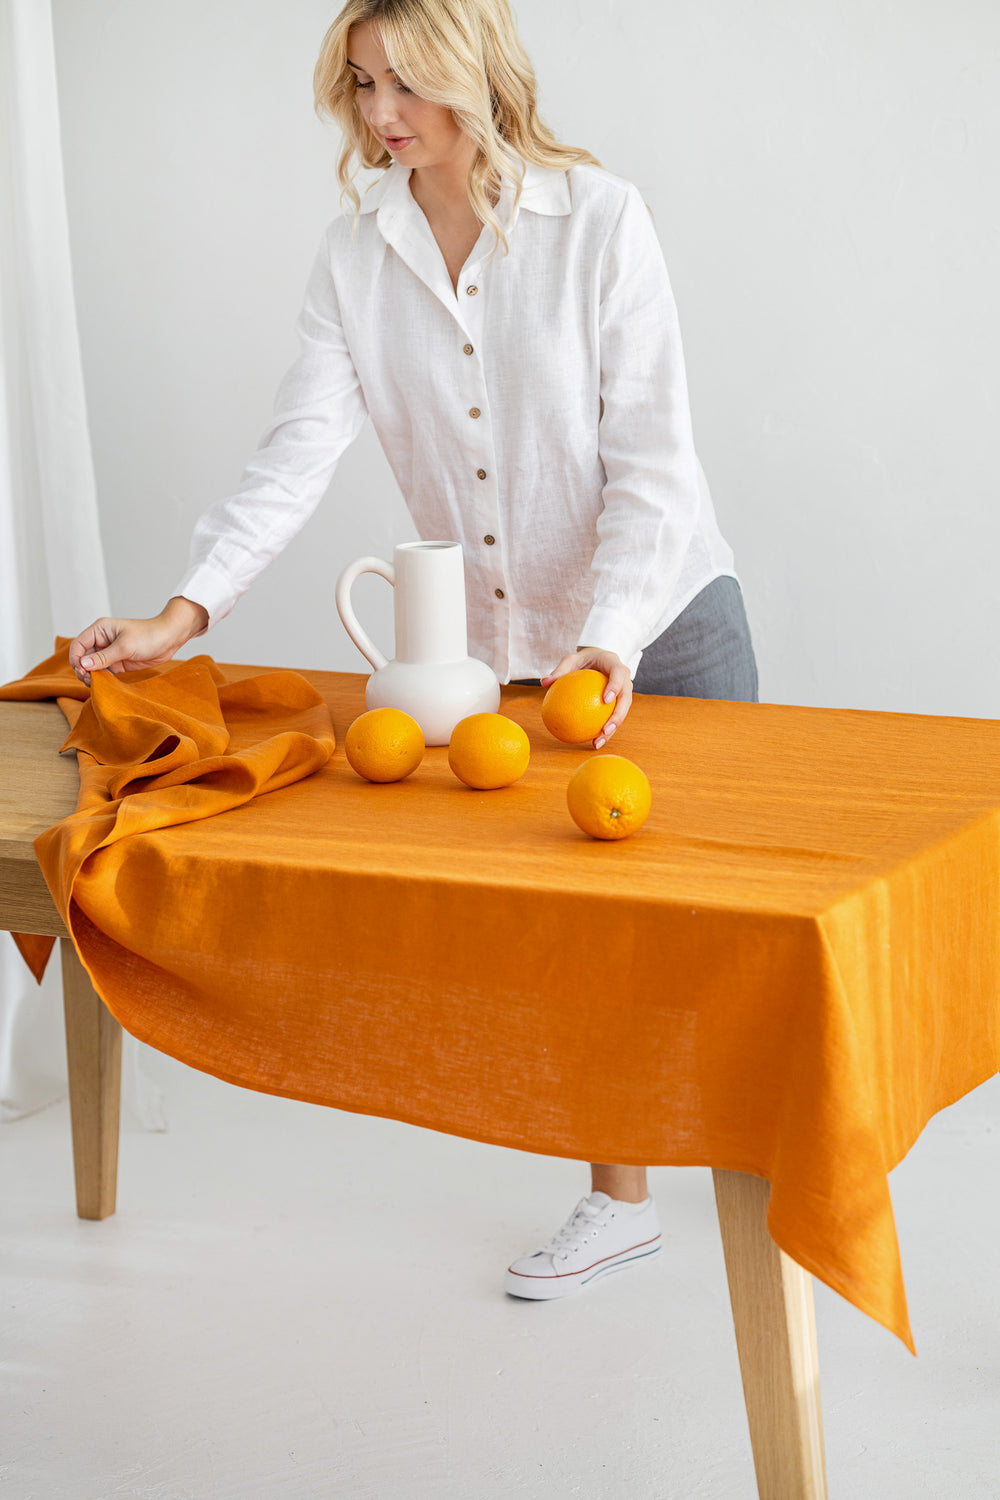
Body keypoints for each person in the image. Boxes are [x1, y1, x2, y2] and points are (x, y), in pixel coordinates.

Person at [70, 0, 758, 1299]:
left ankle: (776, 1190)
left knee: (727, 937)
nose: (382, 114)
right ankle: (620, 1203)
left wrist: (607, 641)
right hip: (509, 655)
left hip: (662, 624)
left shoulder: (599, 221)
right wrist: (184, 611)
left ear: (477, 71)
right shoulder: (356, 257)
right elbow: (297, 455)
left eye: (408, 82)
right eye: (361, 84)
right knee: (576, 934)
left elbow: (654, 463)